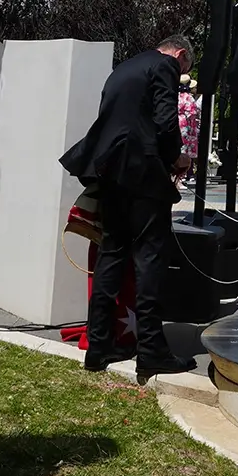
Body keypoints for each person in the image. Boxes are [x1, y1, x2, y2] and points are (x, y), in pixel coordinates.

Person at [61, 33, 196, 383]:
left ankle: (99, 345)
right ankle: (151, 351)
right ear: (179, 54)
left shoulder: (123, 68)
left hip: (111, 171)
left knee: (112, 254)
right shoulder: (164, 66)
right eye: (185, 67)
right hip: (143, 173)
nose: (181, 73)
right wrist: (176, 157)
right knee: (149, 259)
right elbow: (166, 121)